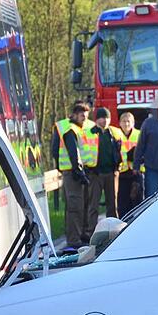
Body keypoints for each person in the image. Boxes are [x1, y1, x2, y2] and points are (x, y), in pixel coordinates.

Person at [55, 102, 97, 248]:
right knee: (75, 207)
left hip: (79, 171)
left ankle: (82, 235)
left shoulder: (79, 128)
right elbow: (73, 153)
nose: (84, 119)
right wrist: (79, 171)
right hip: (73, 172)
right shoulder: (70, 129)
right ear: (74, 115)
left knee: (83, 205)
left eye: (86, 116)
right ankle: (73, 240)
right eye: (81, 116)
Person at [89, 107, 124, 219]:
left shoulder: (114, 132)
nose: (105, 120)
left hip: (111, 173)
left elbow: (120, 151)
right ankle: (91, 231)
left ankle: (113, 229)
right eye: (102, 118)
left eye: (107, 118)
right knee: (93, 205)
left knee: (113, 204)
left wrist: (117, 168)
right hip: (95, 174)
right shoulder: (90, 133)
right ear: (97, 119)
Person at [117, 111, 144, 216]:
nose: (126, 124)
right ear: (119, 123)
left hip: (136, 172)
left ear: (133, 123)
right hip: (122, 172)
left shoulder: (139, 134)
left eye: (128, 121)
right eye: (124, 121)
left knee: (137, 201)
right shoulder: (116, 135)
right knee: (123, 202)